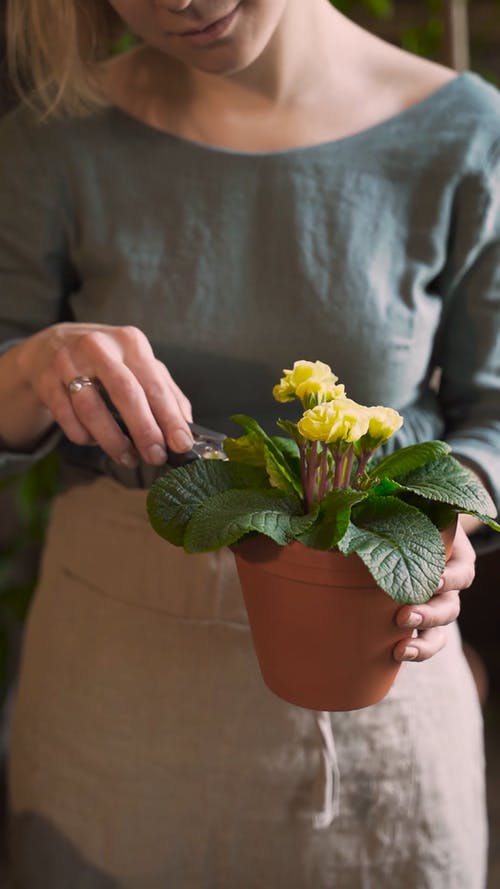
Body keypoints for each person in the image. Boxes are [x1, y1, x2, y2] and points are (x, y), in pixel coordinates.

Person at [0, 0, 499, 886]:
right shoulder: (55, 134)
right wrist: (36, 367)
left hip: (379, 679)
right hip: (113, 693)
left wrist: (446, 516)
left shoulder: (467, 134)